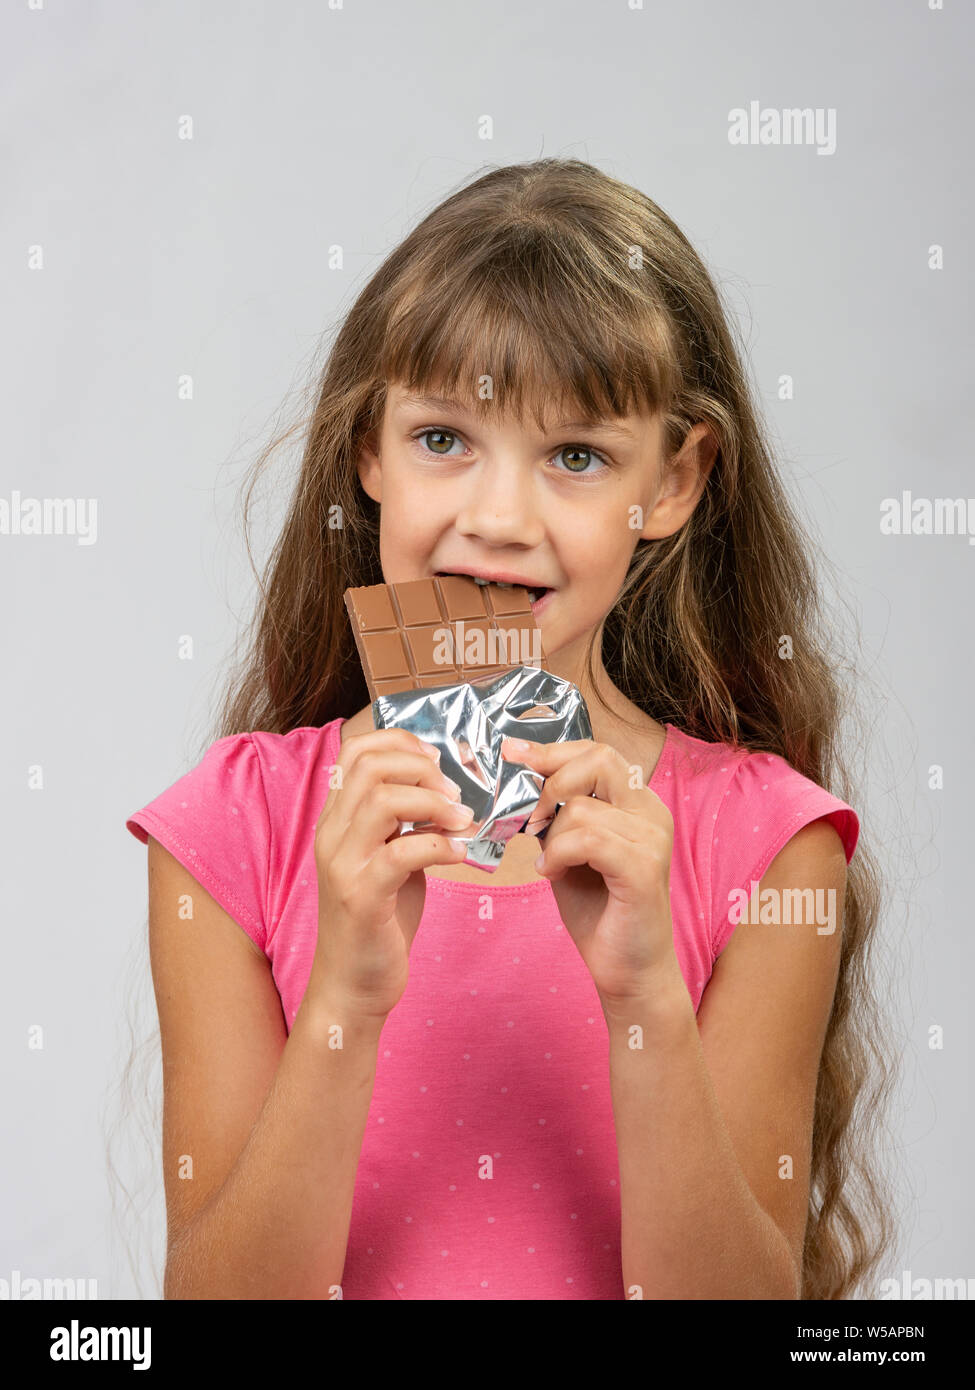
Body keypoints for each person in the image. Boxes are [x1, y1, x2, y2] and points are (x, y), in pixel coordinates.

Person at [125, 158, 893, 1300]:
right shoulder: (233, 832)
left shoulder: (772, 845)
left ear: (674, 483)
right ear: (368, 450)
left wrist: (645, 999)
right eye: (444, 438)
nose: (496, 518)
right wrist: (344, 994)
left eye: (575, 457)